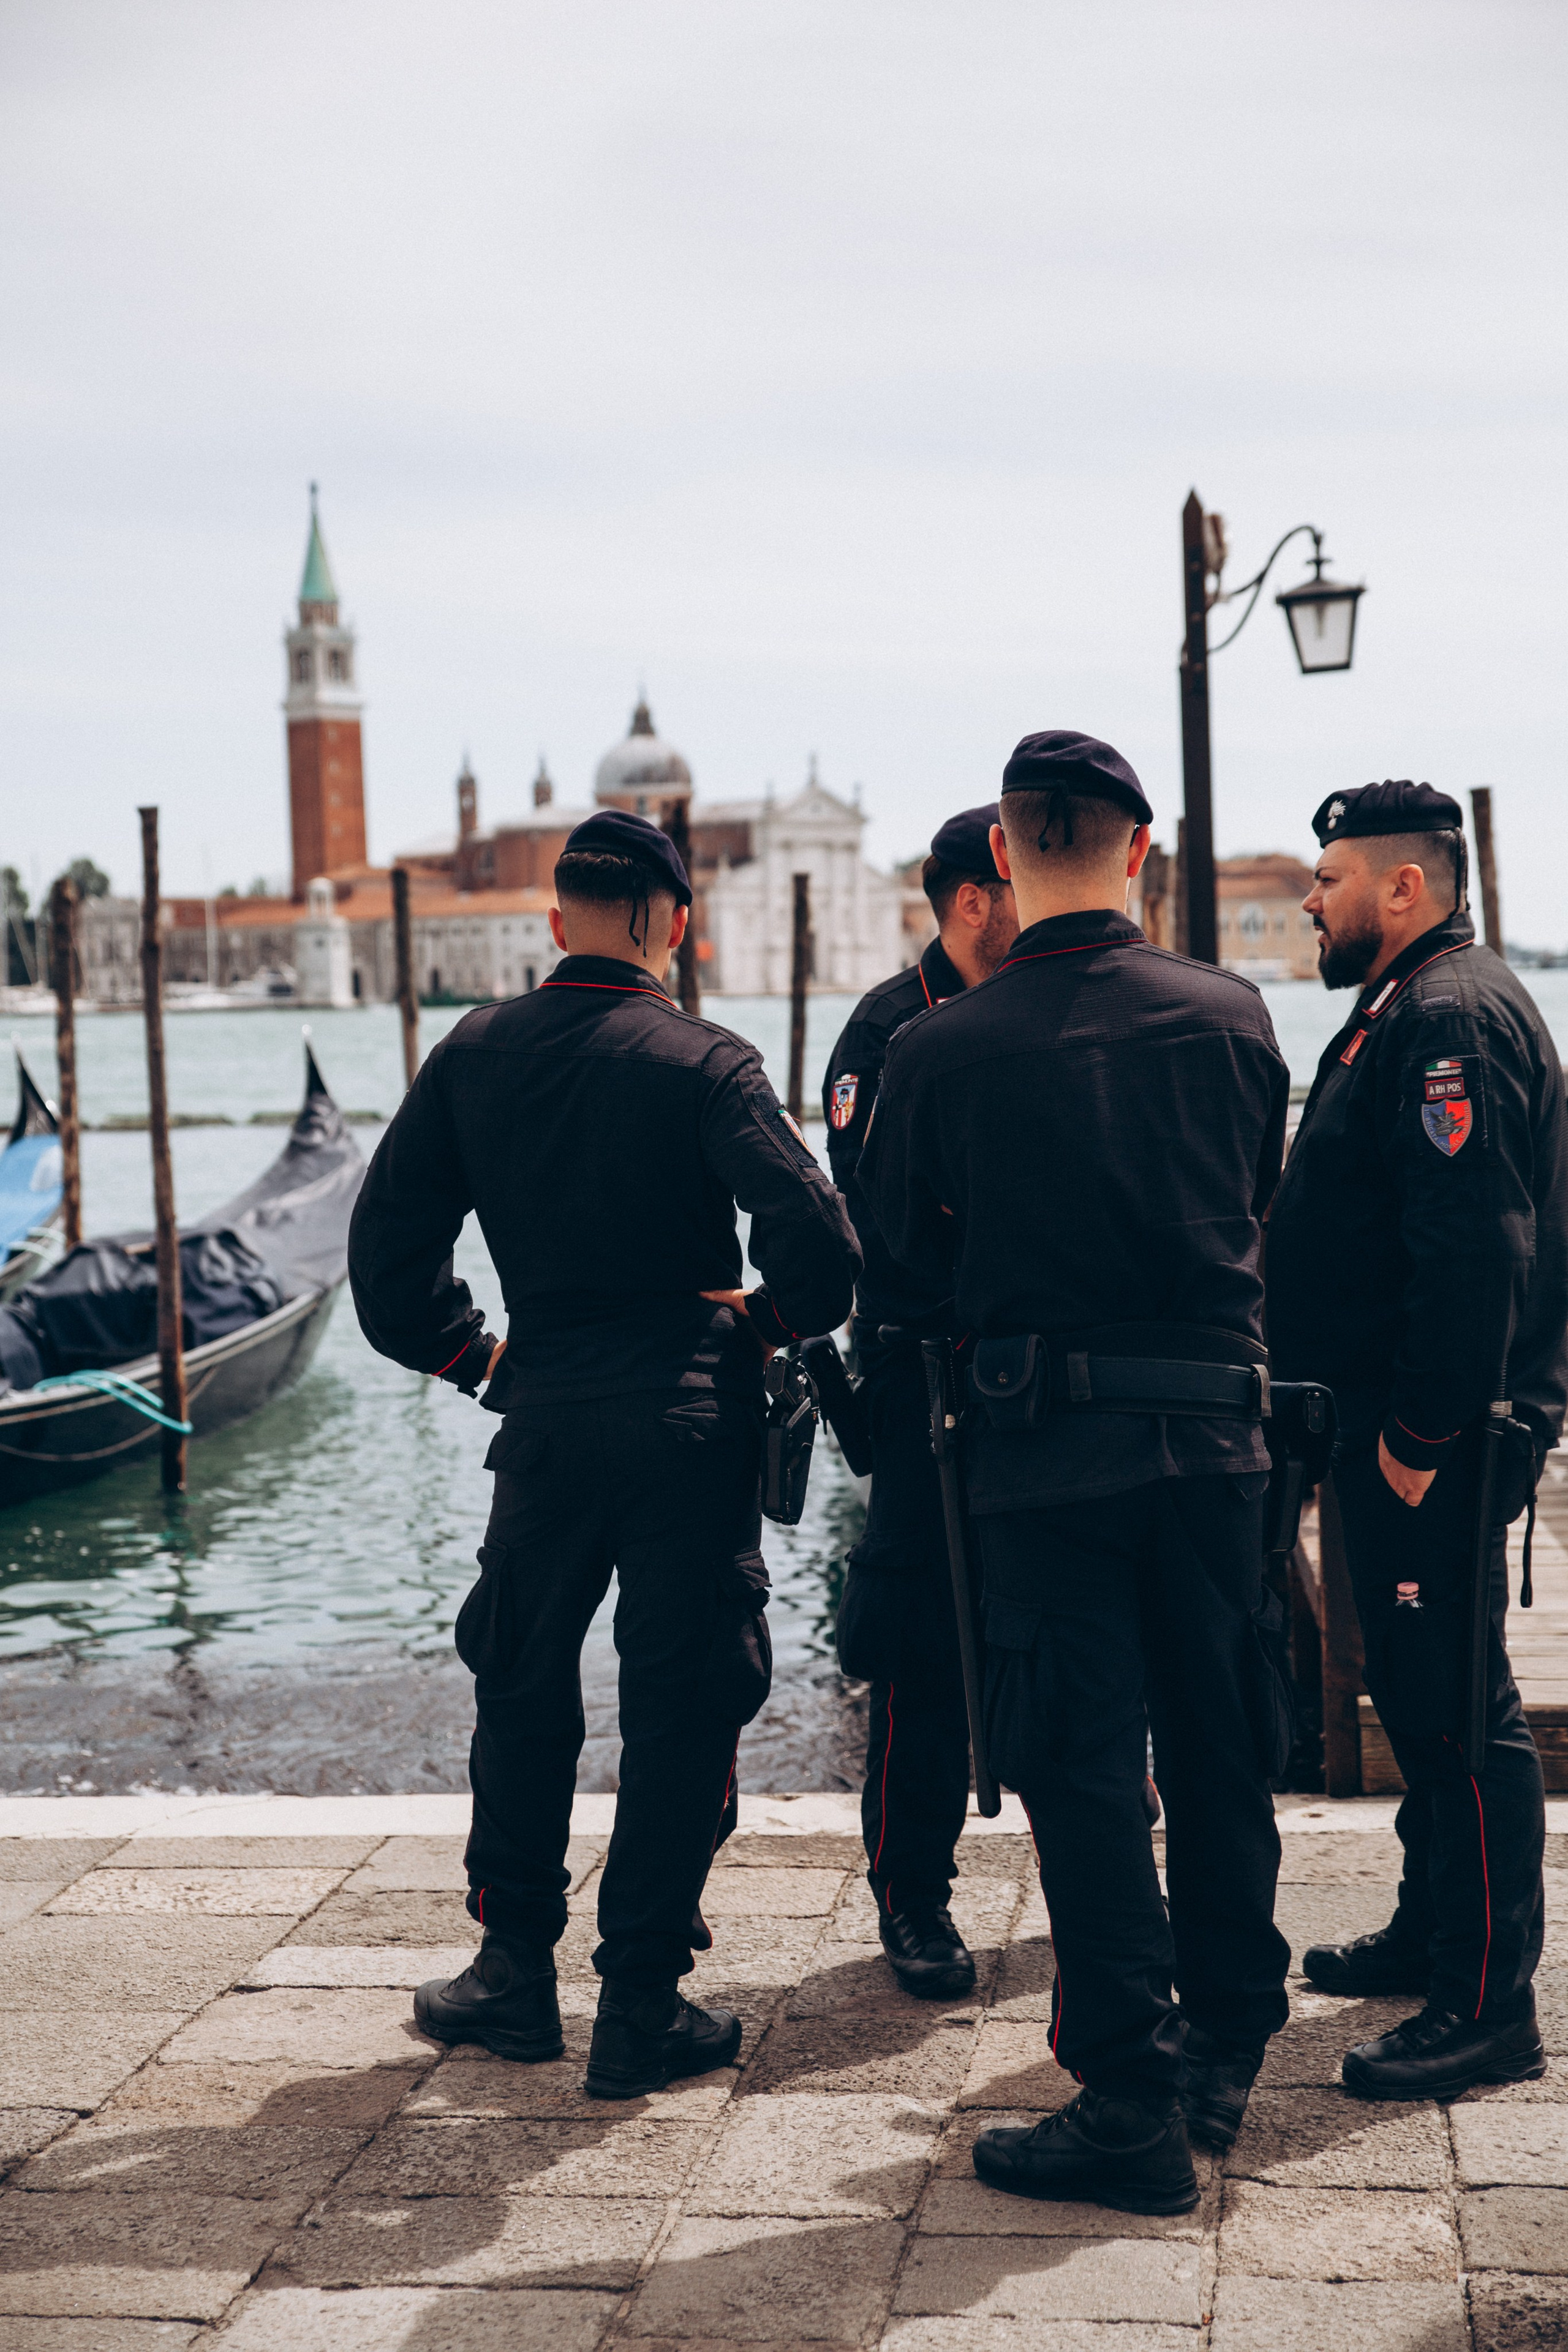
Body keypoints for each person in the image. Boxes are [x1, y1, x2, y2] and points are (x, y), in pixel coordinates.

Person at [348, 810, 860, 2100]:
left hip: (550, 1421)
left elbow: (384, 1270)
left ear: (554, 921)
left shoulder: (474, 1054)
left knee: (522, 1687)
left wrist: (480, 1361)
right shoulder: (706, 1062)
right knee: (683, 1703)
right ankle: (640, 2002)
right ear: (674, 926)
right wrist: (763, 1321)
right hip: (691, 1423)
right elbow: (824, 1254)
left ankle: (512, 1974)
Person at [861, 729, 1293, 2217]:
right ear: (1136, 846)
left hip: (1041, 1464)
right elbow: (1256, 1210)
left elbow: (901, 1277)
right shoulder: (1231, 1018)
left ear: (1001, 847)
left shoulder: (935, 1050)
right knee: (1219, 1741)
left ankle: (1125, 2096)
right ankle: (1227, 2042)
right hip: (1215, 1452)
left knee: (1084, 1769)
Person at [1265, 779, 1566, 2100]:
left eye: (1326, 878)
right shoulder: (1403, 1008)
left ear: (1402, 887)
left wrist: (1422, 1431)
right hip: (1397, 1424)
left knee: (1456, 1712)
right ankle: (1428, 1930)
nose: (1308, 899)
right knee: (1413, 1689)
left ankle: (1487, 2007)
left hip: (1429, 1433)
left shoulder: (1444, 1018)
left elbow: (1472, 1249)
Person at [823, 805, 1018, 1998]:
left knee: (1063, 1628)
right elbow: (882, 1224)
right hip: (922, 1386)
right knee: (918, 1648)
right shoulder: (885, 1032)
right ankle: (912, 1895)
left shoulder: (1030, 1009)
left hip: (1033, 1378)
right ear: (968, 901)